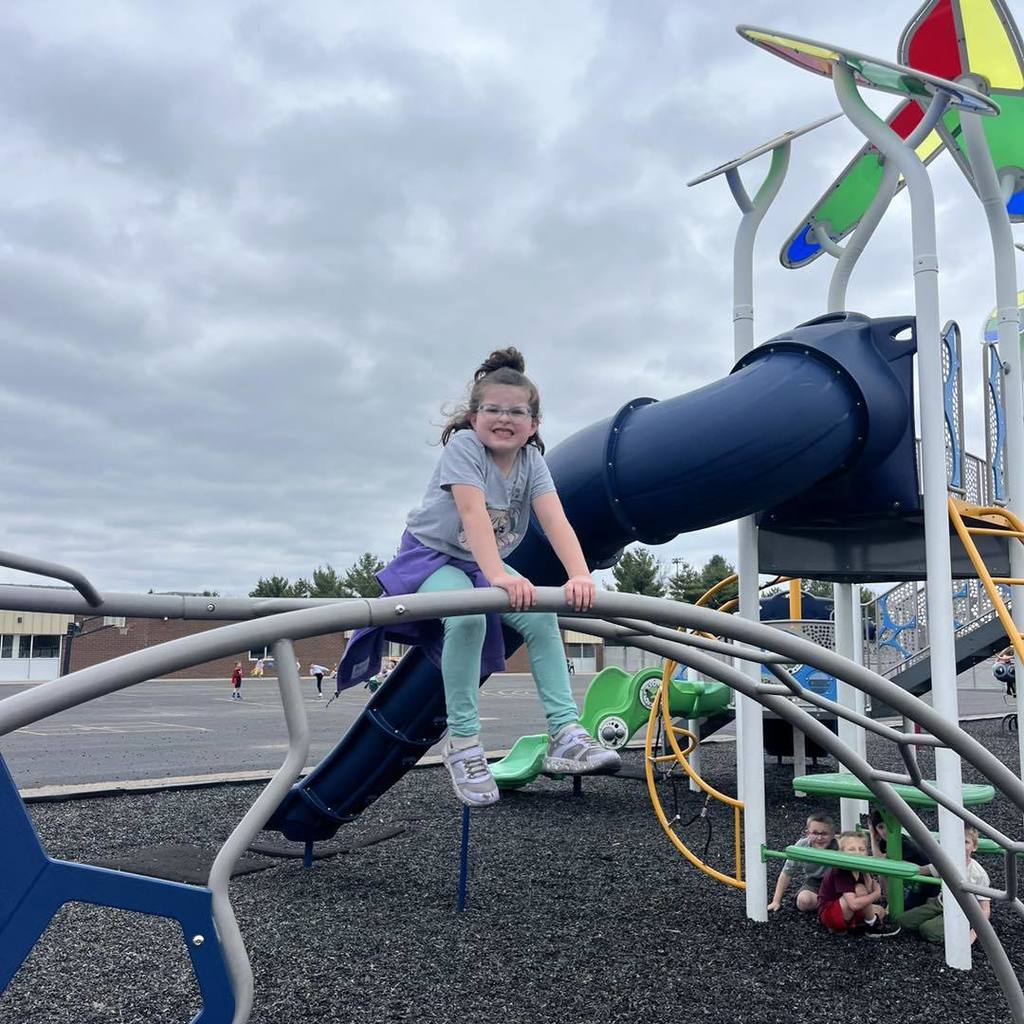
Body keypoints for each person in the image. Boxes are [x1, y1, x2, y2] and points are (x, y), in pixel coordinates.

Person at [336, 347, 620, 807]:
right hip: (430, 557)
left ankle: (565, 732)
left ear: (534, 424)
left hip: (476, 563)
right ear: (473, 416)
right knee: (467, 616)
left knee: (542, 617)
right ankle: (463, 742)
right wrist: (497, 578)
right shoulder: (465, 448)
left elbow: (556, 520)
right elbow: (471, 512)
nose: (503, 418)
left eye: (516, 411)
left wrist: (581, 576)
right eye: (492, 409)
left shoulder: (531, 463)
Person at [898, 825, 992, 945]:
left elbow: (985, 909)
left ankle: (960, 929)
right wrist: (895, 863)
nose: (960, 846)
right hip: (940, 903)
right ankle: (940, 924)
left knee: (927, 930)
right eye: (956, 841)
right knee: (902, 922)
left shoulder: (978, 874)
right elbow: (922, 870)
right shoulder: (946, 864)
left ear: (974, 847)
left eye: (965, 842)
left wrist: (973, 935)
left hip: (962, 911)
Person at [818, 831, 900, 937]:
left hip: (848, 910)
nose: (858, 853)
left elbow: (870, 890)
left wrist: (866, 872)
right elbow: (854, 904)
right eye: (851, 849)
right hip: (830, 914)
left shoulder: (859, 868)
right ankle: (872, 927)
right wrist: (876, 893)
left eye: (862, 849)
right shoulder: (841, 870)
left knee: (880, 911)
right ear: (842, 852)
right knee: (860, 889)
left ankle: (856, 924)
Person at [768, 811, 838, 912]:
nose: (819, 838)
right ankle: (828, 906)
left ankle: (831, 906)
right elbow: (787, 873)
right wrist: (776, 901)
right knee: (804, 901)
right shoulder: (802, 845)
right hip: (814, 882)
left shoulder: (840, 845)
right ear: (807, 833)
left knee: (853, 897)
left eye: (824, 834)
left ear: (832, 835)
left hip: (837, 882)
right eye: (815, 833)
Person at [867, 808, 929, 910]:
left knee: (905, 910)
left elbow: (880, 861)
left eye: (888, 826)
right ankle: (890, 903)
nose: (886, 831)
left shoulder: (905, 844)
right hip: (908, 883)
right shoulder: (884, 843)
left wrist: (872, 836)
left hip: (923, 885)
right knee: (883, 871)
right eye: (881, 827)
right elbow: (881, 867)